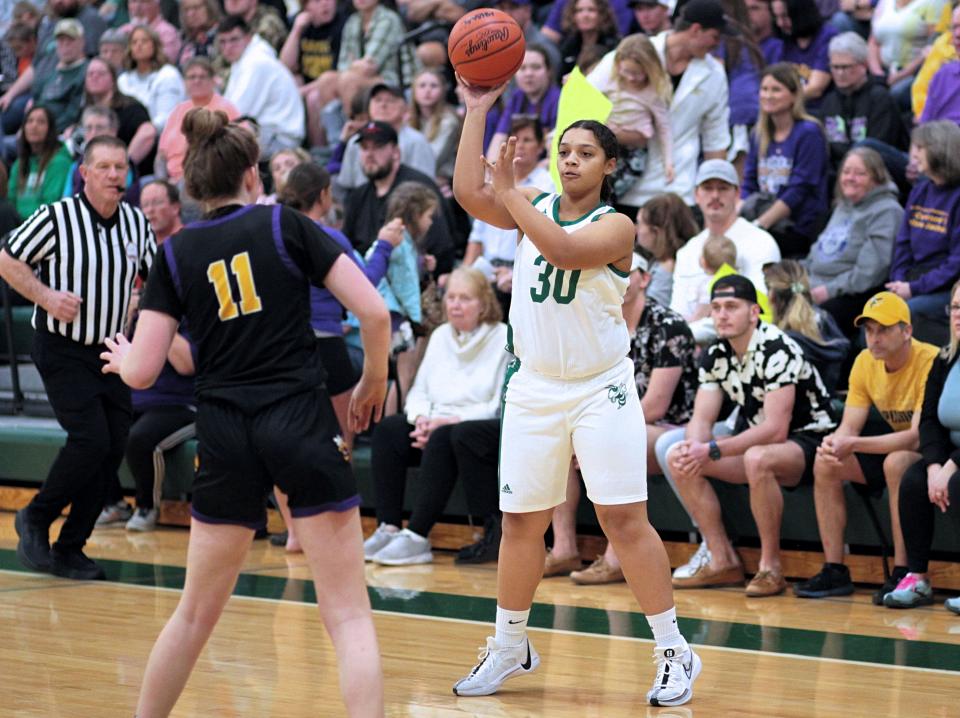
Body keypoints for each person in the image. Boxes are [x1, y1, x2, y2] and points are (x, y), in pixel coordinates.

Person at [99, 107, 391, 716]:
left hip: (225, 430)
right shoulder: (286, 226)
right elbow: (375, 312)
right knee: (347, 614)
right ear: (253, 174)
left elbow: (145, 371)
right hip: (299, 418)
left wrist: (125, 358)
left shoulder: (175, 253)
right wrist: (372, 379)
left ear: (195, 187)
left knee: (194, 614)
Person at [451, 74, 701, 705]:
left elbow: (560, 250)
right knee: (520, 523)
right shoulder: (529, 202)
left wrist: (510, 194)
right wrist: (477, 109)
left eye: (586, 152)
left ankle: (675, 649)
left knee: (621, 518)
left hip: (600, 388)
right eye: (564, 151)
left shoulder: (617, 227)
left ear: (610, 165)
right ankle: (510, 643)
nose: (570, 160)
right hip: (533, 386)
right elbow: (464, 191)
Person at [1, 135, 157, 581]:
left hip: (111, 351)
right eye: (105, 167)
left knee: (110, 451)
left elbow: (156, 278)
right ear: (84, 173)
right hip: (62, 346)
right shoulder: (56, 218)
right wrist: (47, 296)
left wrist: (143, 313)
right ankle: (34, 516)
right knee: (90, 439)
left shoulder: (135, 223)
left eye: (121, 167)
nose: (115, 175)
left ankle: (71, 547)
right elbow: (7, 260)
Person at [662, 274, 837, 597]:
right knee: (679, 457)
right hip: (759, 441)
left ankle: (771, 568)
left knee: (758, 458)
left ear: (754, 312)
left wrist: (712, 449)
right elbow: (702, 417)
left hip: (810, 440)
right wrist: (694, 447)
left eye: (731, 306)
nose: (722, 315)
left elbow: (775, 429)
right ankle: (721, 557)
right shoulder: (715, 353)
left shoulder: (777, 347)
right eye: (715, 307)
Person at [549, 249, 699, 585]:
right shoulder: (600, 322)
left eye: (629, 271)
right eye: (612, 270)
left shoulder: (668, 325)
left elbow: (657, 404)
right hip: (615, 422)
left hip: (670, 428)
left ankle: (615, 557)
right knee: (561, 438)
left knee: (609, 443)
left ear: (645, 279)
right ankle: (563, 548)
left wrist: (598, 433)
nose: (620, 277)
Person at [273, 161, 398, 552]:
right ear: (324, 195)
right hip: (326, 343)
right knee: (340, 441)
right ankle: (337, 530)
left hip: (285, 344)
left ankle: (294, 531)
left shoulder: (276, 235)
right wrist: (386, 244)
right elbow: (365, 284)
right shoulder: (327, 237)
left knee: (282, 441)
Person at [793, 291, 937, 599]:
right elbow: (849, 427)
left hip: (932, 449)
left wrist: (853, 442)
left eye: (883, 330)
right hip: (890, 445)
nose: (874, 338)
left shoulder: (930, 360)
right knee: (827, 462)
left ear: (907, 331)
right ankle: (835, 569)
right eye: (869, 330)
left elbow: (916, 436)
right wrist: (835, 443)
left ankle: (903, 570)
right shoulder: (864, 362)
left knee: (896, 461)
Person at [364, 267, 511, 565]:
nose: (455, 305)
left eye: (465, 298)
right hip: (433, 424)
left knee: (447, 436)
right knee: (390, 429)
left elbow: (497, 405)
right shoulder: (441, 335)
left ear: (483, 303)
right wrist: (421, 419)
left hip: (467, 428)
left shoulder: (501, 337)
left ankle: (417, 535)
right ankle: (388, 526)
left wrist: (446, 421)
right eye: (451, 297)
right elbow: (419, 391)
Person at [586, 0, 730, 213]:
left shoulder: (715, 74)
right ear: (696, 30)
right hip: (623, 186)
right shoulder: (635, 51)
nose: (716, 45)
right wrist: (621, 134)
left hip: (679, 192)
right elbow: (584, 103)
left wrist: (715, 196)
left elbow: (715, 141)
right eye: (715, 37)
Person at [883, 279, 960, 613]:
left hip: (958, 463)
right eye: (956, 307)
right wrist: (932, 466)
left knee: (958, 485)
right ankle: (917, 577)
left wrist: (950, 467)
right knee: (913, 480)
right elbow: (929, 421)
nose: (959, 314)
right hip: (947, 457)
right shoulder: (944, 360)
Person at [672, 158, 781, 343]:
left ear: (737, 193)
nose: (715, 195)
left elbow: (757, 311)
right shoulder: (687, 251)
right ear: (696, 195)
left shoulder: (761, 242)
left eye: (723, 188)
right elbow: (678, 311)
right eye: (707, 188)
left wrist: (685, 335)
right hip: (688, 348)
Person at [803, 147, 904, 335]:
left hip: (852, 295)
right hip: (817, 284)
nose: (850, 178)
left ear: (877, 178)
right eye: (846, 171)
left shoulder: (887, 211)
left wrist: (829, 290)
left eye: (860, 173)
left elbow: (868, 273)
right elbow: (818, 251)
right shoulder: (843, 206)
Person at [464, 116, 555, 318]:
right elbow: (477, 234)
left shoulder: (547, 185)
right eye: (515, 139)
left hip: (521, 273)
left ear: (541, 147)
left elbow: (541, 235)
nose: (520, 146)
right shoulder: (495, 177)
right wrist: (466, 272)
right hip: (486, 270)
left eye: (527, 140)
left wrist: (517, 273)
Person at [341, 120, 455, 275]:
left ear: (396, 152)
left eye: (377, 147)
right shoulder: (358, 196)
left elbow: (441, 249)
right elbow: (347, 247)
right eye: (364, 148)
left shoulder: (418, 190)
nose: (369, 154)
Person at [740, 62, 829, 258]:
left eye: (776, 90)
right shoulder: (758, 133)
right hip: (762, 220)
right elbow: (749, 181)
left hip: (796, 227)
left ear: (794, 95)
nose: (768, 95)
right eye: (764, 89)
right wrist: (740, 219)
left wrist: (759, 226)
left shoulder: (809, 132)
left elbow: (799, 190)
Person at [886, 121, 960, 346]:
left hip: (945, 288)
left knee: (903, 317)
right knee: (878, 313)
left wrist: (913, 288)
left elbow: (956, 263)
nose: (913, 155)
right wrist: (899, 280)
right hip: (913, 280)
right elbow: (903, 242)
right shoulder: (920, 189)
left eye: (920, 148)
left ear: (939, 149)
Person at [590, 33, 674, 200]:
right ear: (617, 65)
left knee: (607, 194)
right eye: (627, 71)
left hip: (633, 155)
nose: (631, 78)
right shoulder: (611, 82)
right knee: (592, 187)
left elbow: (664, 128)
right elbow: (587, 93)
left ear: (650, 70)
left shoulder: (652, 94)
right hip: (607, 146)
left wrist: (669, 162)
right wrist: (573, 83)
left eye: (637, 74)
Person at [816, 32, 907, 174]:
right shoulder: (829, 101)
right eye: (835, 67)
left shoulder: (881, 99)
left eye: (845, 67)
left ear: (864, 65)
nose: (839, 73)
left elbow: (877, 153)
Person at [217, 16, 305, 157]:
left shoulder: (256, 62)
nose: (228, 47)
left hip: (281, 139)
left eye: (234, 40)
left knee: (219, 147)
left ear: (248, 38)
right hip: (267, 132)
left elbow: (236, 112)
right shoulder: (243, 60)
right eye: (223, 42)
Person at [334, 82, 437, 192]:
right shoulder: (356, 141)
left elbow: (425, 187)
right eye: (377, 100)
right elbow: (347, 185)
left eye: (391, 100)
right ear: (369, 106)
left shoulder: (416, 141)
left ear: (406, 108)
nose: (383, 105)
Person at [155, 56, 239, 185]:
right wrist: (162, 184)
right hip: (172, 181)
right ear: (184, 82)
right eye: (192, 77)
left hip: (207, 179)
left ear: (212, 81)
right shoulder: (178, 110)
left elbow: (232, 152)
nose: (197, 81)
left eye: (202, 77)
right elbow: (161, 155)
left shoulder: (225, 109)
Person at [280, 0, 347, 149]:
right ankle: (292, 146)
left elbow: (338, 73)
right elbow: (284, 66)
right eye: (317, 1)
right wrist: (296, 30)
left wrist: (300, 92)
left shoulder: (342, 24)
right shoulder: (302, 25)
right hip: (307, 84)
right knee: (293, 80)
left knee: (313, 97)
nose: (325, 4)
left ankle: (319, 151)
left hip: (331, 85)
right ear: (306, 7)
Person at [335, 0, 419, 114]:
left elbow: (370, 65)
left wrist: (353, 66)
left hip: (393, 79)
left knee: (349, 80)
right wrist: (354, 67)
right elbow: (342, 64)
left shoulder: (388, 18)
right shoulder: (352, 21)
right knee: (326, 80)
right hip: (361, 76)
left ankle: (357, 126)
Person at [81, 56, 157, 176]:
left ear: (113, 79)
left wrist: (122, 166)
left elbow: (148, 133)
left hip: (134, 177)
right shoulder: (85, 109)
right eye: (90, 74)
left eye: (100, 73)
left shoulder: (130, 107)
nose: (94, 77)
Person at [868, 0, 948, 112]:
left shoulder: (932, 3)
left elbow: (932, 47)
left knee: (894, 95)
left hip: (914, 72)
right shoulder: (884, 2)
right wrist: (877, 73)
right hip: (883, 71)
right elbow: (873, 41)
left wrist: (901, 75)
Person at [486, 46, 560, 158]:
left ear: (549, 71)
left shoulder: (558, 99)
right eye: (522, 68)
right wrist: (492, 168)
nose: (529, 73)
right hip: (519, 167)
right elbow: (499, 137)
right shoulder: (517, 97)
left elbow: (557, 155)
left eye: (536, 67)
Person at [117, 24, 186, 134]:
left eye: (144, 41)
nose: (139, 45)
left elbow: (167, 118)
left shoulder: (168, 74)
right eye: (134, 42)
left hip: (159, 137)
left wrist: (145, 133)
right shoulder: (123, 79)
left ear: (155, 45)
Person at [635, 193, 700, 307]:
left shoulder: (666, 269)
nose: (636, 229)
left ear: (656, 232)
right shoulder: (664, 261)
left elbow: (653, 311)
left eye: (640, 224)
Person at [7, 105, 72, 218]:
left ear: (50, 129)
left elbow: (51, 205)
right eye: (29, 121)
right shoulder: (19, 164)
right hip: (17, 228)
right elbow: (10, 200)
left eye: (41, 122)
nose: (34, 126)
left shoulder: (60, 163)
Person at [771, 0, 838, 108]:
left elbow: (815, 89)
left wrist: (779, 99)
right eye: (776, 17)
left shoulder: (827, 36)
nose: (780, 23)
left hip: (817, 110)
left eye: (785, 16)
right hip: (789, 109)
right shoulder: (784, 41)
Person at [31, 18, 88, 134]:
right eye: (61, 41)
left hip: (57, 134)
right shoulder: (50, 70)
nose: (65, 46)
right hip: (36, 129)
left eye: (70, 41)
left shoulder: (86, 71)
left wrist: (46, 132)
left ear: (82, 42)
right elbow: (36, 101)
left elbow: (72, 114)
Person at [408, 68, 461, 190]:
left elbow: (432, 160)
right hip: (419, 180)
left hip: (445, 183)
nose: (427, 90)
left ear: (442, 91)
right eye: (422, 86)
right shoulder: (408, 120)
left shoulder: (449, 121)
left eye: (433, 86)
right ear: (413, 92)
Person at [556, 0, 622, 79]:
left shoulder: (614, 45)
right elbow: (559, 78)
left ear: (602, 14)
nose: (585, 15)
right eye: (579, 10)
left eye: (591, 10)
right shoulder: (568, 46)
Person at [175, 0, 221, 69]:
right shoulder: (184, 40)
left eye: (196, 8)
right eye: (186, 10)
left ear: (210, 8)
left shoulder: (224, 34)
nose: (191, 14)